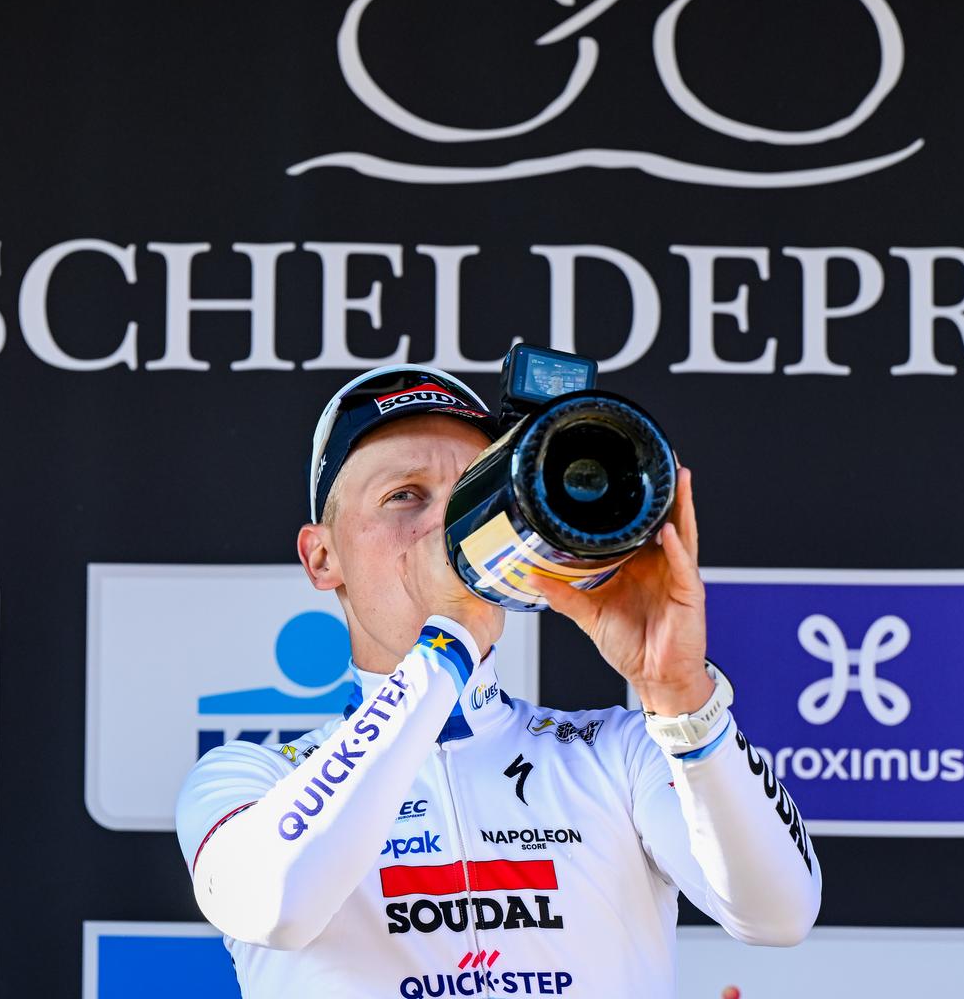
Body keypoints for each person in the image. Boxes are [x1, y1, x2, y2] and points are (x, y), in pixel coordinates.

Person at [175, 364, 821, 997]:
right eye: (404, 496)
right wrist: (448, 641)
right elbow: (274, 905)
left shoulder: (617, 753)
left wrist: (680, 694)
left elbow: (778, 913)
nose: (442, 525)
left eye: (466, 498)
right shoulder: (254, 778)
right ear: (322, 556)